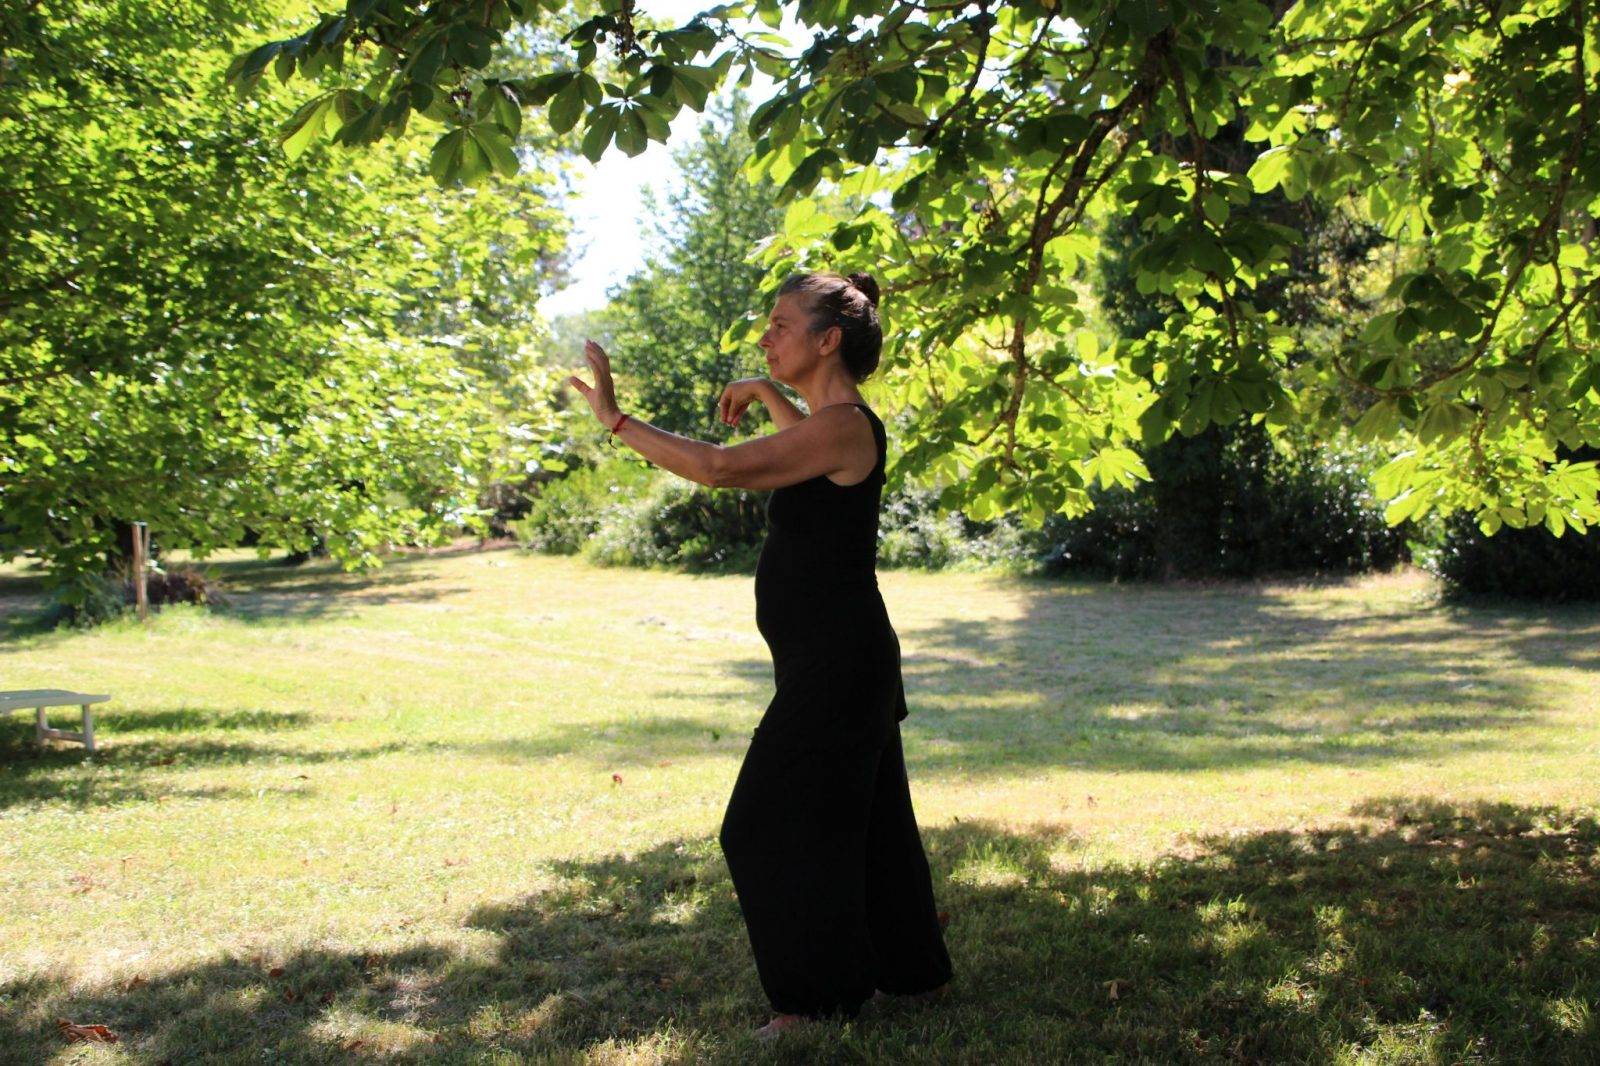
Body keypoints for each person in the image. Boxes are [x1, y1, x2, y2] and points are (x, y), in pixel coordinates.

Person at [566, 269, 953, 1040]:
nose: (766, 335)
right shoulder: (831, 424)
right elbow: (791, 438)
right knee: (868, 821)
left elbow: (722, 467)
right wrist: (769, 390)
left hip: (840, 664)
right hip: (835, 657)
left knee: (763, 828)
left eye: (781, 324)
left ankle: (816, 1004)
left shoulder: (845, 428)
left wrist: (616, 421)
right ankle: (907, 973)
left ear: (827, 339)